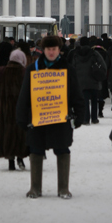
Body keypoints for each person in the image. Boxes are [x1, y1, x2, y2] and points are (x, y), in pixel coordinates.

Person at [16, 35, 85, 199]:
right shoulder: (33, 69)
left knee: (62, 150)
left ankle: (63, 188)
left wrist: (79, 115)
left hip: (61, 119)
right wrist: (22, 118)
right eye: (49, 49)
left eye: (54, 49)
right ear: (43, 50)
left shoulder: (67, 69)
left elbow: (76, 94)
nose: (52, 52)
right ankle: (35, 188)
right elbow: (24, 96)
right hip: (37, 119)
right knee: (36, 150)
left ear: (59, 50)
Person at [0, 49, 29, 170]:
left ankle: (10, 161)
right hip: (22, 109)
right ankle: (20, 158)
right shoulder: (25, 72)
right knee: (21, 133)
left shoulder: (0, 71)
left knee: (7, 131)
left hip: (5, 109)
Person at [71, 36, 107, 125]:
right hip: (94, 79)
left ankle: (86, 119)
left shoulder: (76, 54)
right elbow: (103, 65)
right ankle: (94, 118)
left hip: (81, 81)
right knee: (94, 99)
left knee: (85, 100)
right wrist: (101, 74)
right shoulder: (94, 53)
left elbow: (73, 67)